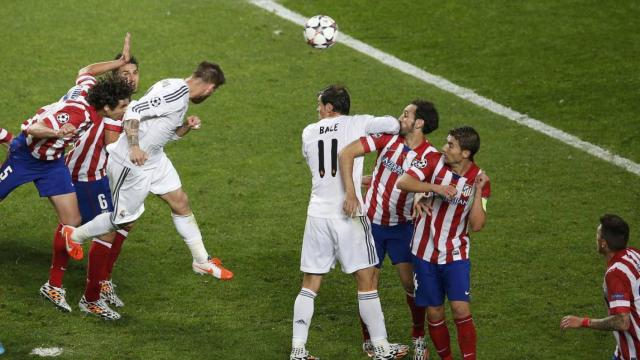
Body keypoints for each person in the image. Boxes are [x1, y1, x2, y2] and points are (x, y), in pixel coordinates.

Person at [61, 61, 233, 312]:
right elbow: (133, 112)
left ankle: (201, 260)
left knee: (180, 202)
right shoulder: (174, 92)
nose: (210, 95)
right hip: (131, 162)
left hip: (155, 158)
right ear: (208, 87)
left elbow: (161, 130)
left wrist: (185, 127)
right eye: (214, 91)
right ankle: (73, 235)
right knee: (120, 221)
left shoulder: (178, 90)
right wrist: (133, 146)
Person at [0, 42, 135, 315]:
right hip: (25, 159)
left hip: (53, 165)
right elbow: (32, 128)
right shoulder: (78, 112)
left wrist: (118, 63)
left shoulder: (89, 91)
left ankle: (53, 286)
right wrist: (57, 133)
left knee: (71, 223)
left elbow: (85, 70)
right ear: (107, 107)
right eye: (122, 106)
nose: (124, 111)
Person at [290, 84, 408, 360]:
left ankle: (298, 349)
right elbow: (394, 124)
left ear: (330, 107)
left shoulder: (308, 132)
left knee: (310, 283)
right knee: (366, 279)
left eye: (320, 104)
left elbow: (319, 167)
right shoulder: (360, 123)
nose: (318, 109)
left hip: (317, 213)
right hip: (349, 212)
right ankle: (380, 348)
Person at [339, 99, 456, 360]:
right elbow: (350, 151)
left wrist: (422, 197)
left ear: (420, 123)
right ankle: (369, 341)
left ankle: (418, 338)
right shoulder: (388, 138)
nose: (399, 118)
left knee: (411, 286)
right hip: (370, 225)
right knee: (368, 284)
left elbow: (416, 184)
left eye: (406, 115)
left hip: (402, 228)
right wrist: (356, 185)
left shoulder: (431, 156)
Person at [396, 126, 490, 360]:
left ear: (465, 153)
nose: (444, 148)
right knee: (435, 312)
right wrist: (432, 188)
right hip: (424, 252)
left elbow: (477, 225)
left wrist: (478, 192)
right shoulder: (433, 161)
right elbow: (403, 181)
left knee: (460, 308)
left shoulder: (479, 179)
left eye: (450, 145)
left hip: (455, 253)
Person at [560, 214, 637, 360]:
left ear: (603, 243)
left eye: (597, 234)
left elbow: (622, 321)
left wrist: (583, 322)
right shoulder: (634, 254)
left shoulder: (616, 274)